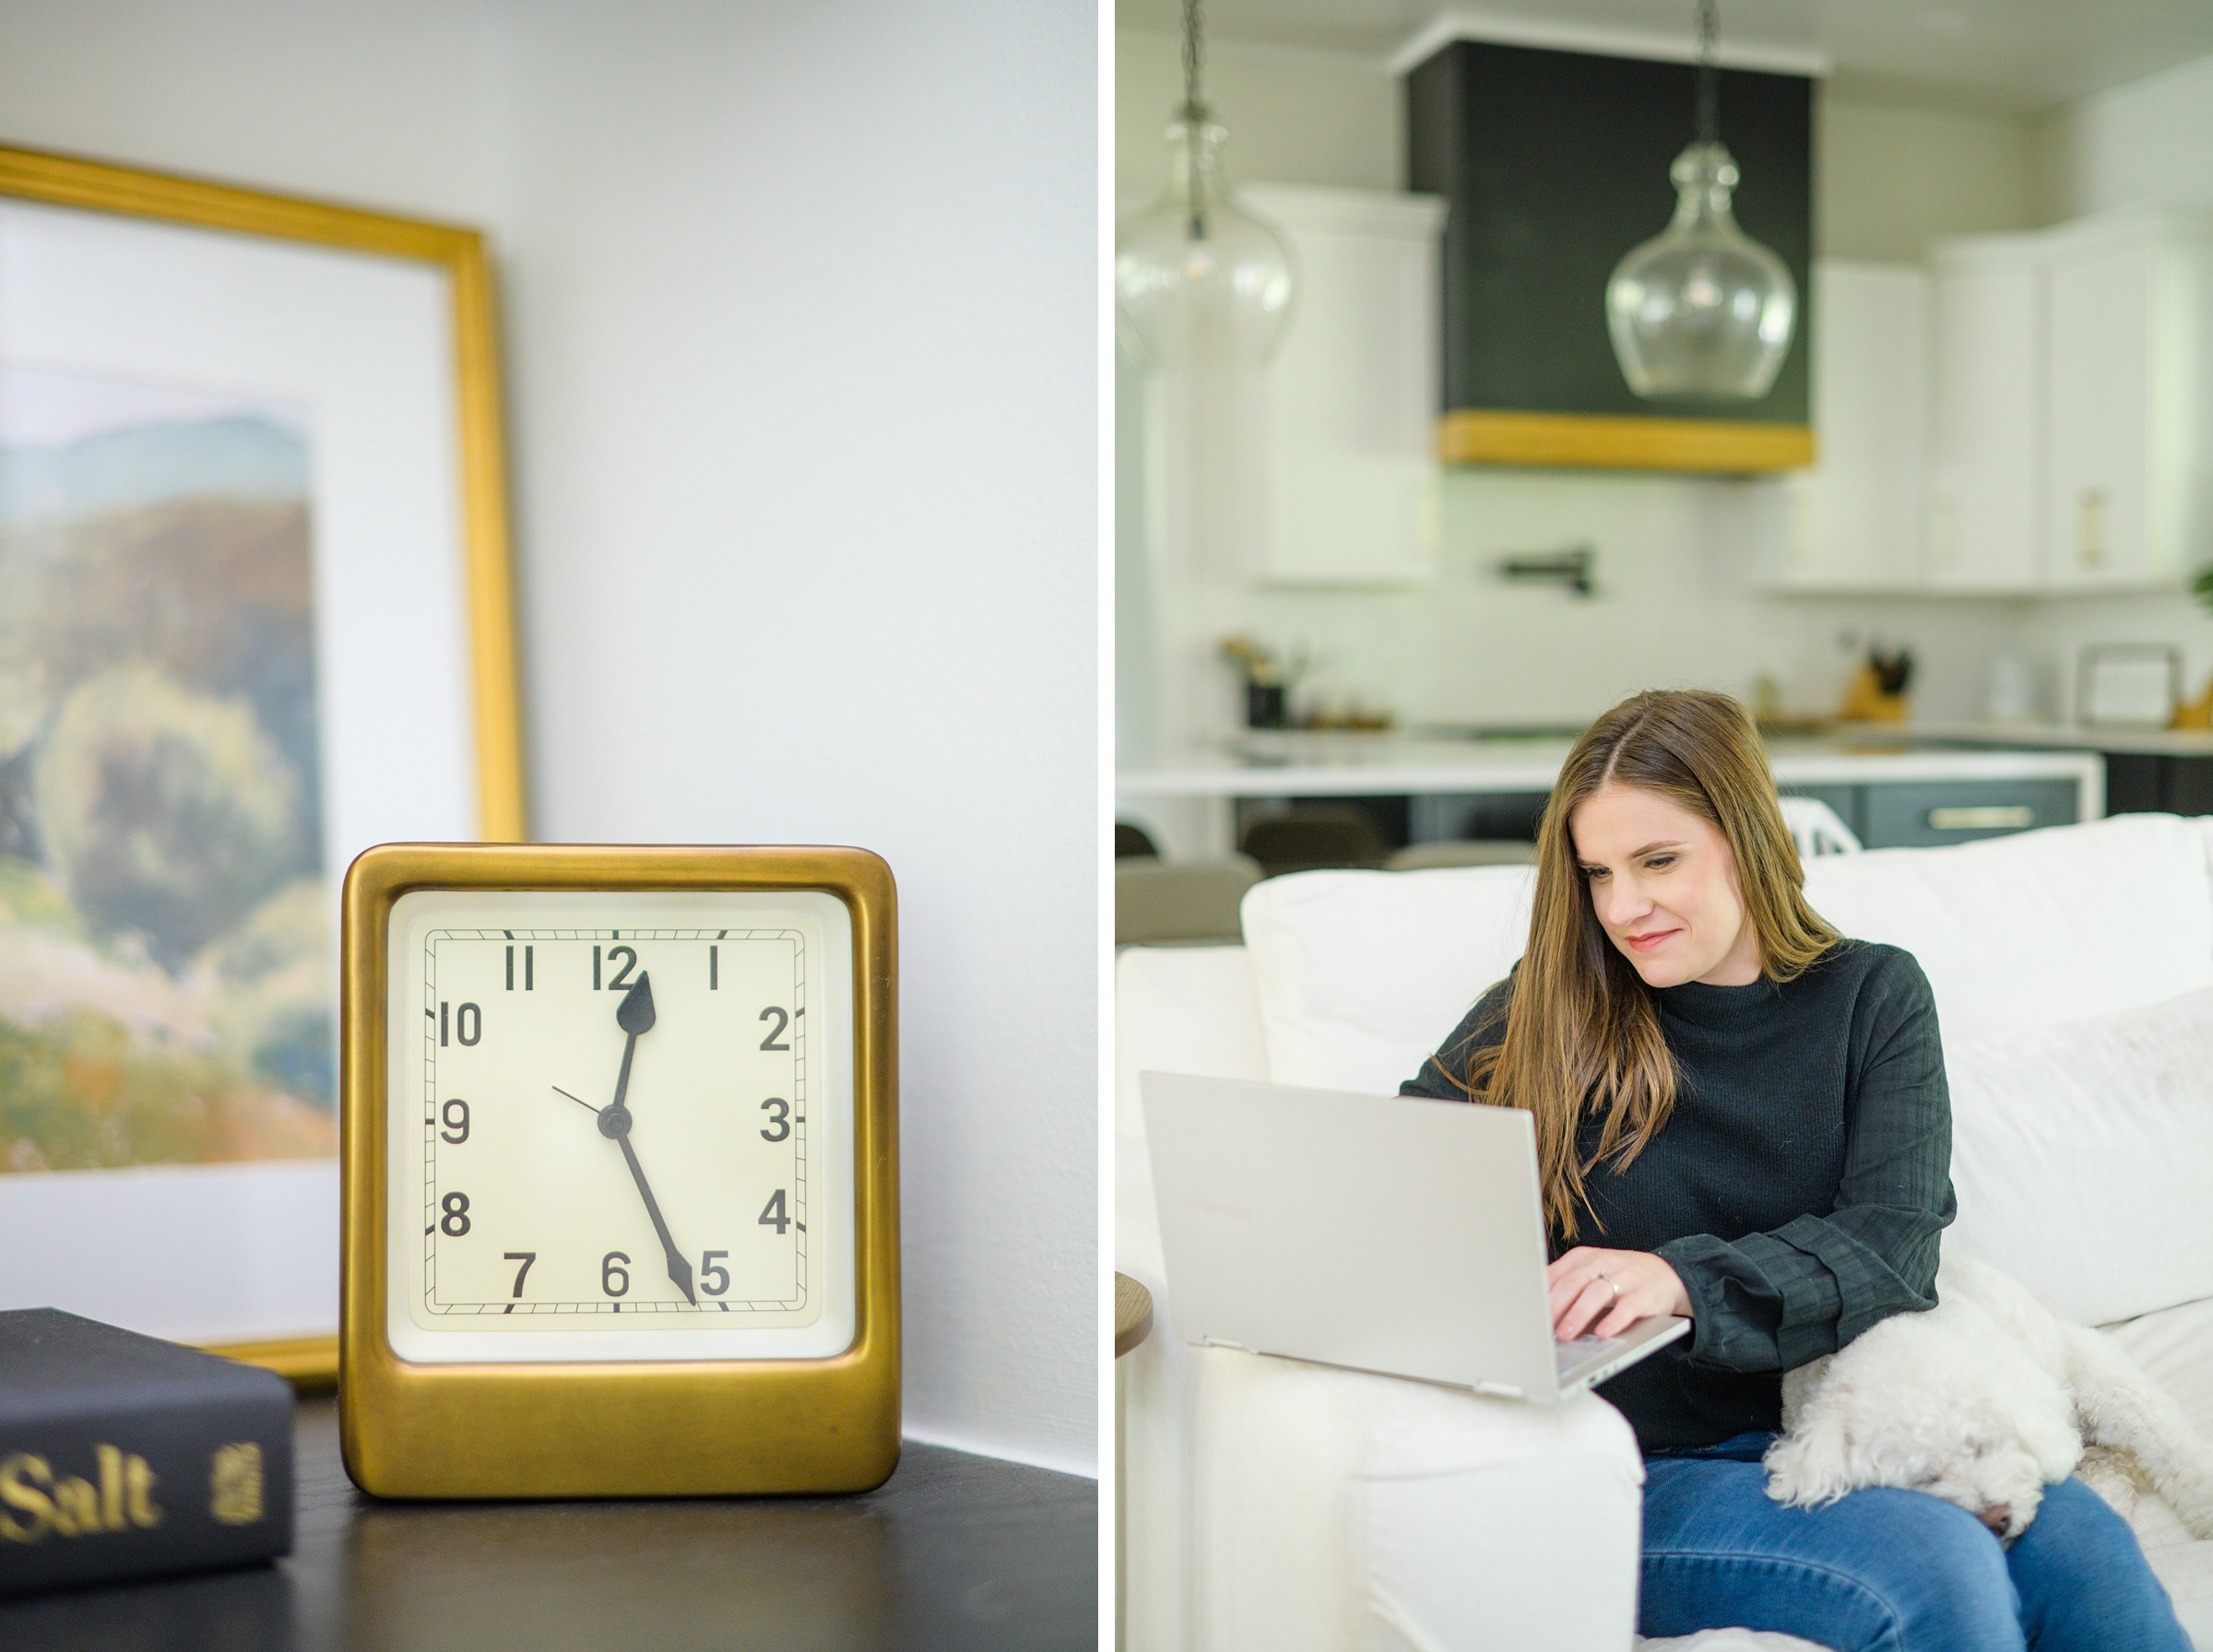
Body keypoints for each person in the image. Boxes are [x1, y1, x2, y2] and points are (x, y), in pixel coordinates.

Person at [1400, 689, 2189, 1652]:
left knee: (2095, 1562)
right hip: (1635, 1466)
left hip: (1844, 1430)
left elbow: (1893, 1245)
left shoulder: (1873, 996)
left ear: (1747, 838)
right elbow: (1400, 1180)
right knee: (1935, 1566)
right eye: (1597, 873)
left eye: (1658, 861)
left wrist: (1681, 1281)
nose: (1624, 906)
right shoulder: (1546, 1006)